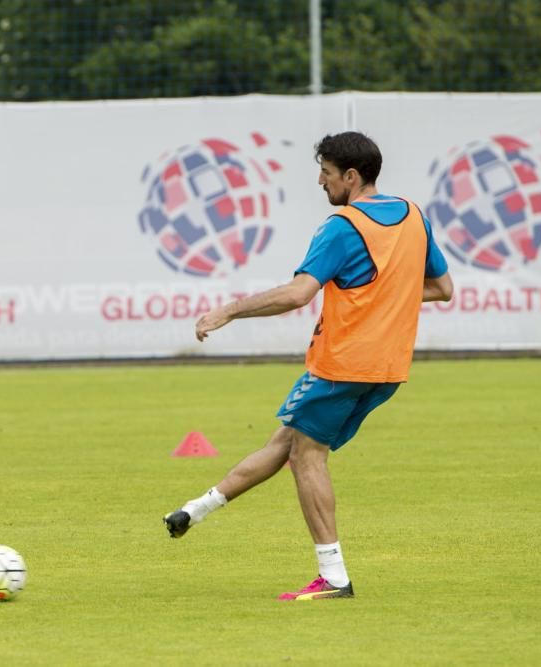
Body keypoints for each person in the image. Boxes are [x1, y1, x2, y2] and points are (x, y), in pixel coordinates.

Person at [163, 131, 453, 600]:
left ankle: (334, 577)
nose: (321, 182)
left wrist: (229, 310)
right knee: (287, 440)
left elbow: (299, 293)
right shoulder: (415, 216)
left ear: (351, 176)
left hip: (343, 363)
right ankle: (194, 511)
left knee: (305, 456)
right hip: (388, 369)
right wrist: (383, 297)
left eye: (326, 173)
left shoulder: (342, 226)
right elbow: (442, 288)